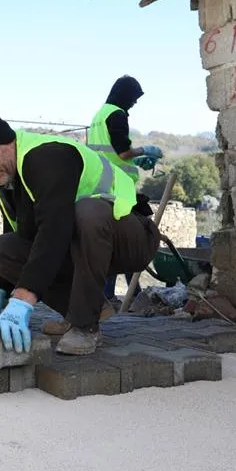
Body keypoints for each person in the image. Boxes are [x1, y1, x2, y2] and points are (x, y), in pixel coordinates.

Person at [0, 110, 160, 356]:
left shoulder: (47, 156)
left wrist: (22, 299)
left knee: (87, 210)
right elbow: (18, 235)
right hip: (82, 243)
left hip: (130, 237)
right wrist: (1, 290)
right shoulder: (6, 178)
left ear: (7, 142)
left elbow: (54, 230)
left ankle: (85, 325)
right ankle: (82, 310)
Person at [88, 75, 163, 306]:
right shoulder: (117, 115)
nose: (135, 103)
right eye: (134, 98)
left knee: (113, 241)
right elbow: (121, 153)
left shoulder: (99, 115)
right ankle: (118, 296)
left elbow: (109, 152)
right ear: (126, 95)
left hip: (100, 184)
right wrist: (144, 150)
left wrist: (136, 162)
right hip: (117, 188)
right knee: (130, 240)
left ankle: (121, 294)